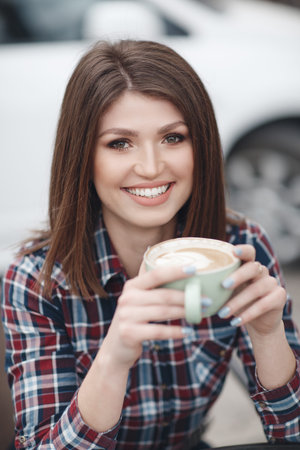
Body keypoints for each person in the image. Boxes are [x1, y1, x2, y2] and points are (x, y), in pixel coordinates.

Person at [1, 39, 300, 450]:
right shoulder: (34, 279)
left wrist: (269, 338)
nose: (151, 167)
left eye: (173, 138)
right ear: (83, 156)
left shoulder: (241, 246)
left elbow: (292, 435)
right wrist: (113, 357)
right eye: (119, 143)